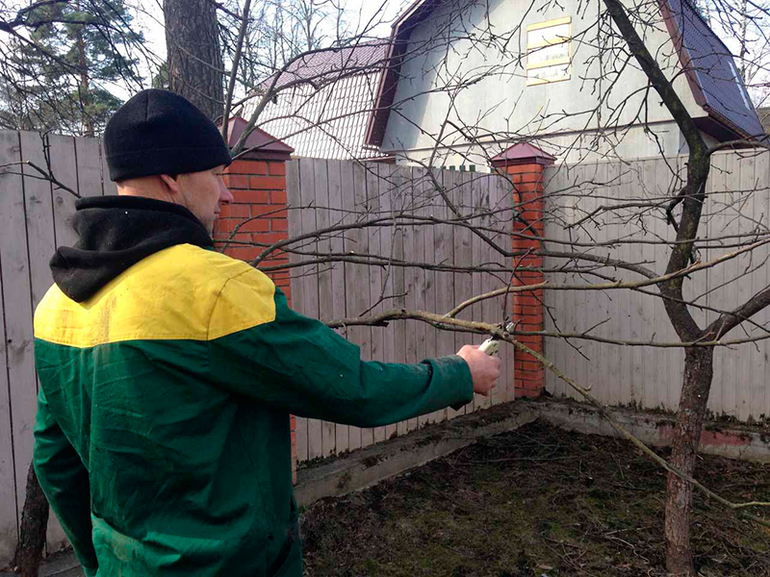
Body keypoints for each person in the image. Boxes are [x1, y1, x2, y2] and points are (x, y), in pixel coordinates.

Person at [32, 89, 500, 577]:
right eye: (216, 176)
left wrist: (100, 563)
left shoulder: (57, 304)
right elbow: (353, 389)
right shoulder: (215, 290)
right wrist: (459, 373)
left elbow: (56, 463)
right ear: (172, 178)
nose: (227, 193)